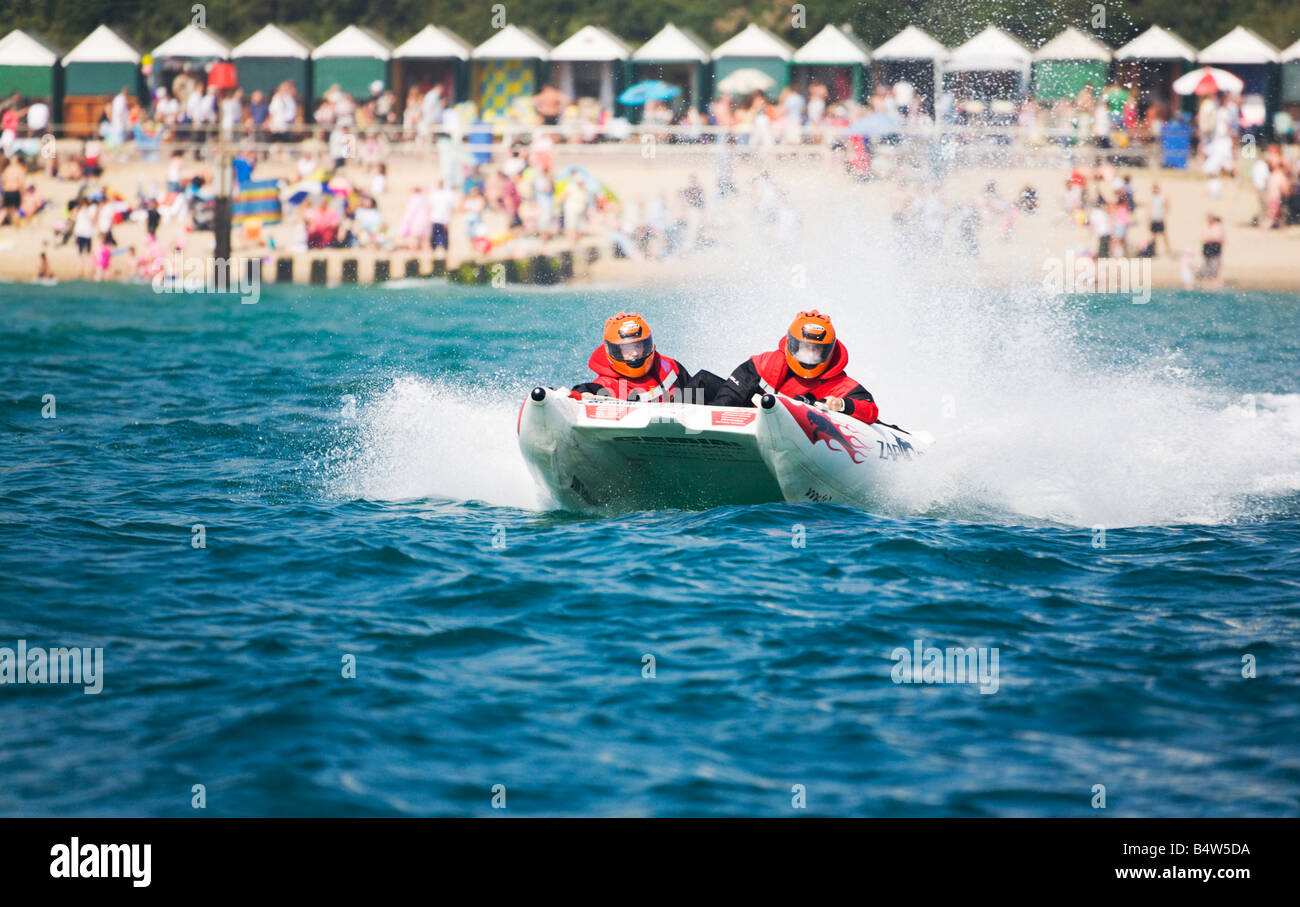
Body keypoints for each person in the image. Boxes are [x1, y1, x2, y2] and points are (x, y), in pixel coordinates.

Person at [709, 310, 879, 424]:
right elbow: (730, 394)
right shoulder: (766, 363)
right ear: (792, 345)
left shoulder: (841, 385)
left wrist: (841, 404)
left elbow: (870, 410)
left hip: (805, 441)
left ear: (830, 351)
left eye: (817, 351)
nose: (810, 357)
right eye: (805, 349)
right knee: (702, 382)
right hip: (748, 424)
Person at [570, 312, 716, 403]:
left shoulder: (668, 365)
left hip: (684, 425)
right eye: (626, 349)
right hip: (647, 433)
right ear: (612, 351)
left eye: (638, 346)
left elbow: (697, 396)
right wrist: (578, 395)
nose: (634, 353)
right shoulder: (607, 384)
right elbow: (584, 390)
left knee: (705, 379)